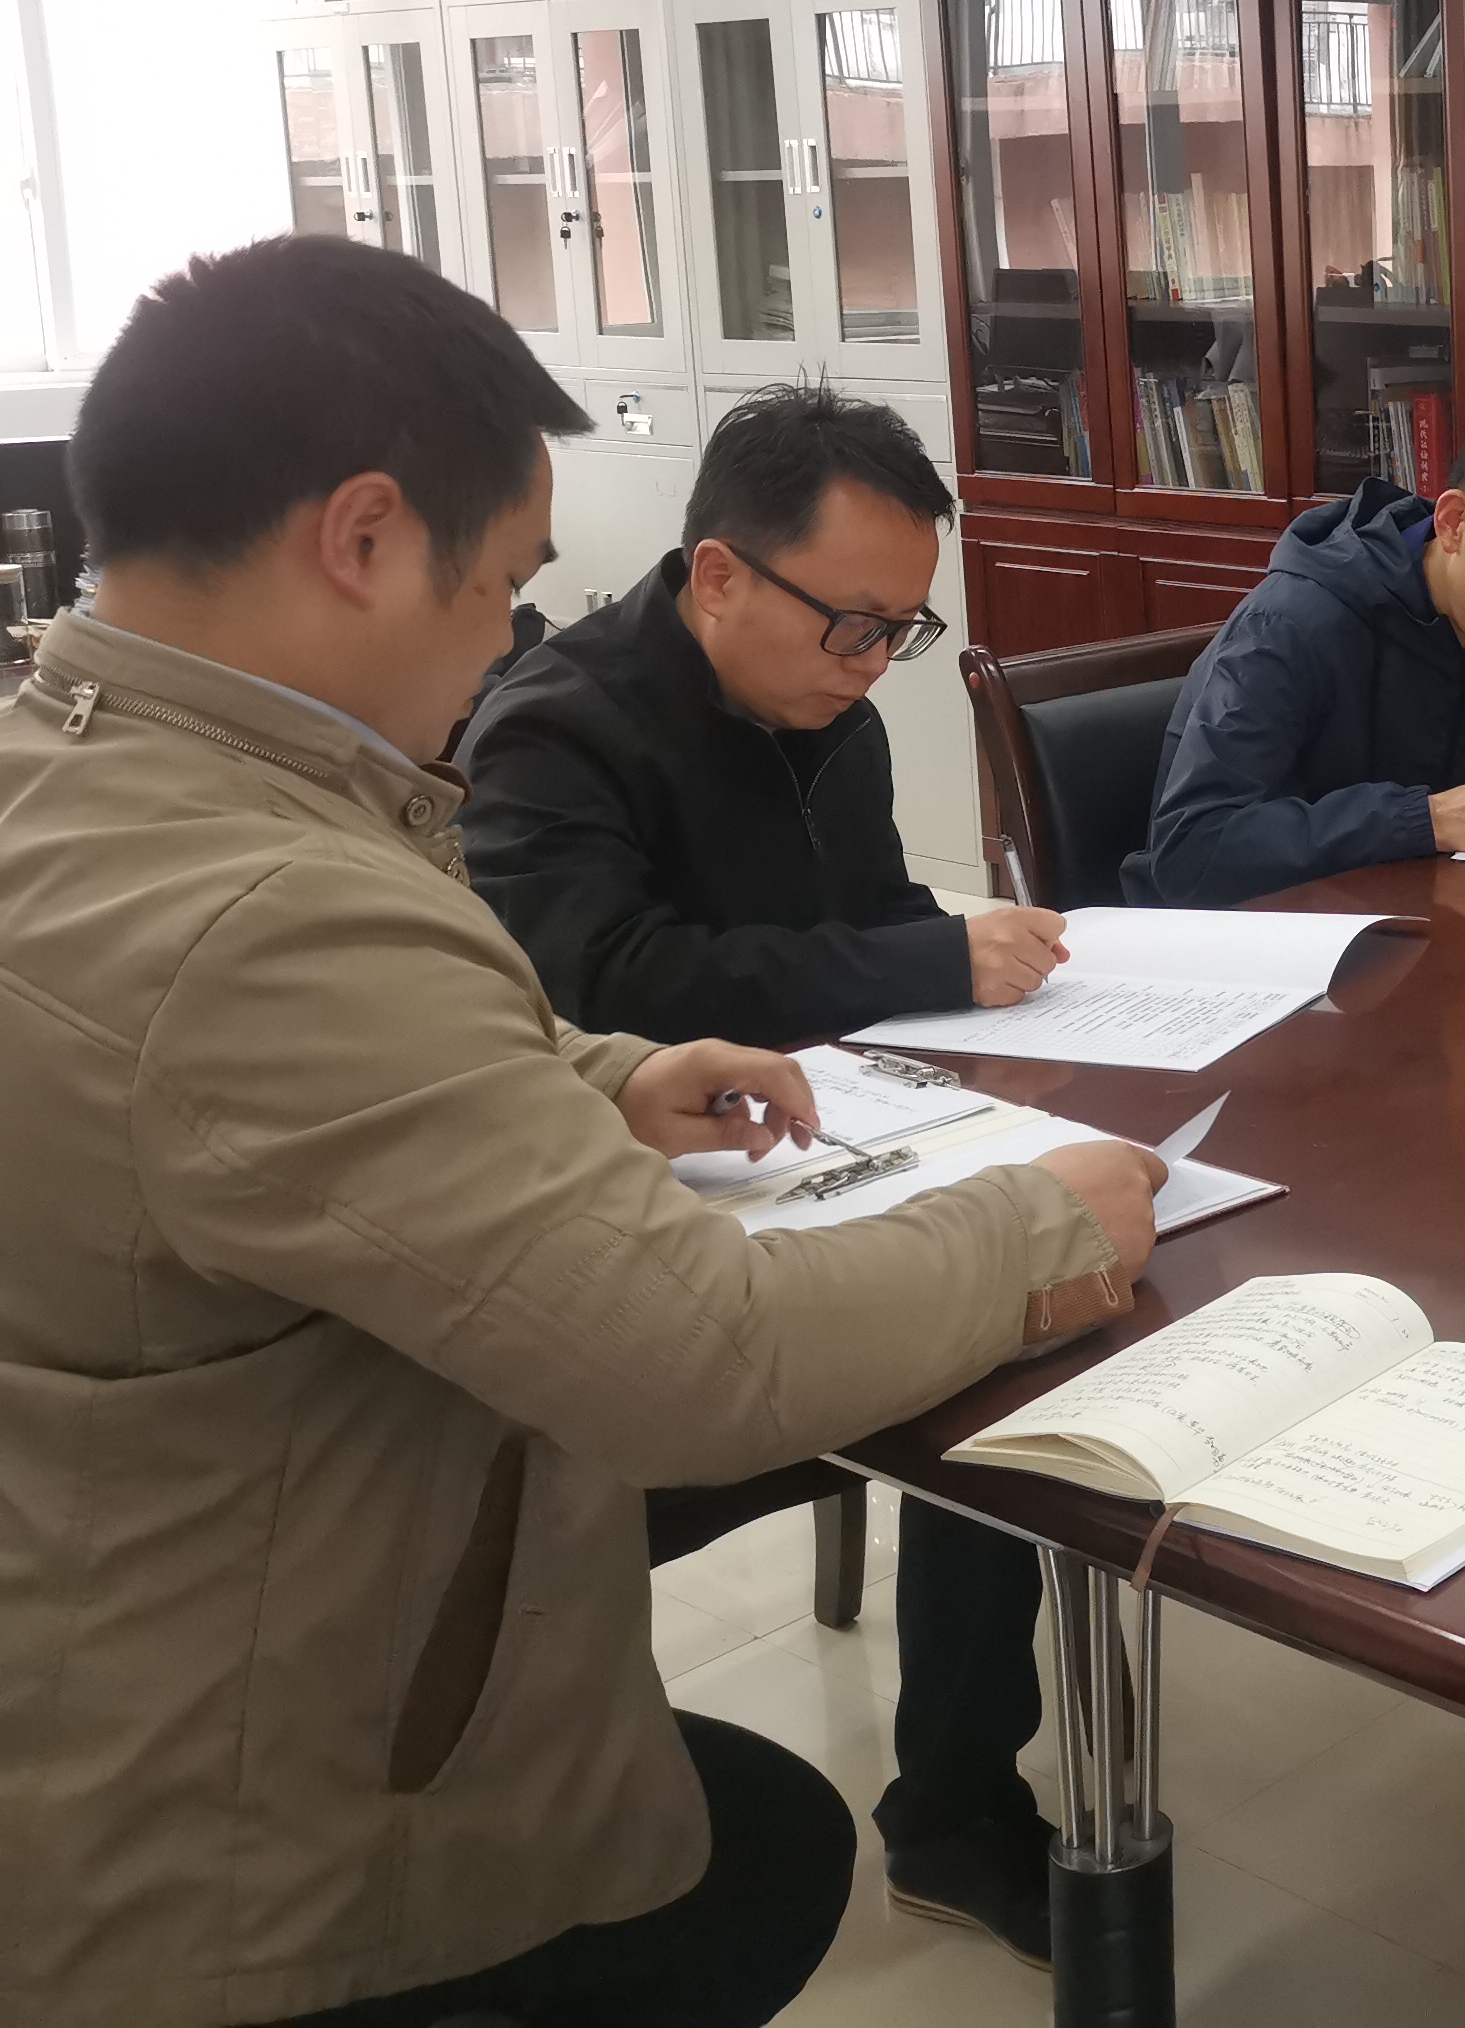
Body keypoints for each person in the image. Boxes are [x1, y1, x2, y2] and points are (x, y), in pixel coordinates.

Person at [0, 236, 1162, 2028]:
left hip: (112, 1650)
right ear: (364, 537)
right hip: (239, 1819)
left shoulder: (75, 770)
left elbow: (295, 1070)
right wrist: (1046, 1223)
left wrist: (595, 1073)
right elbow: (702, 1362)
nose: (506, 639)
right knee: (755, 1862)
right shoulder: (275, 903)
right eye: (502, 585)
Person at [455, 381, 1073, 1961]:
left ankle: (956, 1808)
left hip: (829, 1145)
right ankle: (559, 1847)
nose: (872, 667)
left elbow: (860, 927)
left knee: (1008, 1335)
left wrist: (954, 979)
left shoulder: (825, 707)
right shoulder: (557, 729)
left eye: (901, 633)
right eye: (852, 625)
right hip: (647, 1208)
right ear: (720, 573)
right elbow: (601, 985)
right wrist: (924, 957)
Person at [1129, 398, 1465, 908]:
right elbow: (1190, 853)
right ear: (1454, 523)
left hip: (1420, 919)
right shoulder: (1291, 624)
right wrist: (1425, 819)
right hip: (1252, 942)